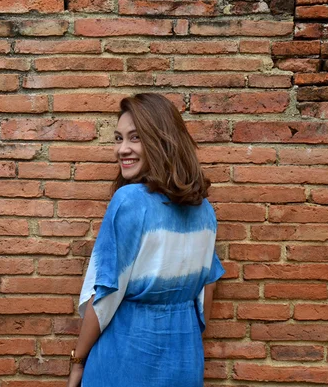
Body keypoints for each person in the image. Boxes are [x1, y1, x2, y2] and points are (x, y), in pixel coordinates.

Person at [67, 93, 225, 387]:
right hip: (185, 359)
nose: (122, 150)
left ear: (161, 140)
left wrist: (78, 361)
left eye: (135, 138)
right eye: (118, 139)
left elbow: (104, 295)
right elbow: (208, 288)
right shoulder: (204, 209)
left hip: (127, 357)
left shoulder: (129, 201)